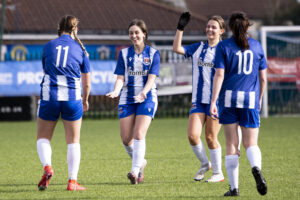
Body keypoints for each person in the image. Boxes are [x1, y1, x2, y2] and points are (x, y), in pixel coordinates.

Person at [210, 12, 268, 196]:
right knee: (251, 143)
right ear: (248, 26)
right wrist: (258, 100)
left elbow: (219, 75)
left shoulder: (223, 46)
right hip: (250, 99)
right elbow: (264, 79)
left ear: (229, 28)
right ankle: (256, 168)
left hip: (228, 99)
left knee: (231, 144)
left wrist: (213, 101)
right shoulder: (257, 46)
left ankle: (234, 188)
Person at [36, 15, 91, 191]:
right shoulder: (81, 50)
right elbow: (87, 83)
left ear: (59, 28)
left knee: (43, 138)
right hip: (72, 98)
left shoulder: (48, 46)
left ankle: (47, 167)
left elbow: (46, 70)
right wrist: (85, 100)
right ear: (75, 29)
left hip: (49, 96)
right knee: (73, 141)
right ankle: (72, 182)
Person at [106, 19, 160, 184]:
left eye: (137, 32)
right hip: (127, 98)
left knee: (139, 134)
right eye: (131, 33)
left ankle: (135, 171)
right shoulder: (123, 54)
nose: (134, 35)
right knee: (126, 139)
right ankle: (140, 162)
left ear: (144, 34)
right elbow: (120, 78)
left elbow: (152, 79)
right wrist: (116, 90)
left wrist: (144, 92)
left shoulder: (153, 54)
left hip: (147, 97)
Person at [173, 12, 225, 182]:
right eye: (208, 26)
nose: (210, 29)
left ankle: (218, 173)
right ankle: (205, 164)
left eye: (214, 27)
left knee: (210, 137)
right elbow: (177, 49)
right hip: (198, 100)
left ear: (221, 31)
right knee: (192, 136)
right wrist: (180, 28)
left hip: (216, 102)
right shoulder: (198, 47)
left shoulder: (224, 51)